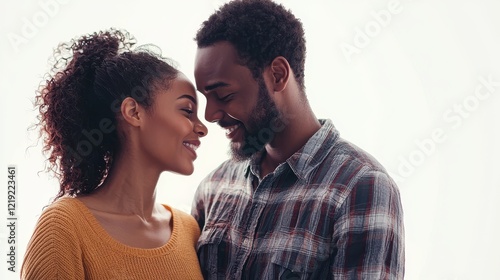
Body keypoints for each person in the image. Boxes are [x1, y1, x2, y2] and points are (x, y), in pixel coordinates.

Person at [191, 0, 405, 279]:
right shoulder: (214, 187)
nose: (210, 115)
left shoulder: (361, 186)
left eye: (224, 95)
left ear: (278, 75)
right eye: (205, 98)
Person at [21, 29, 206, 279]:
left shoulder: (189, 230)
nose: (202, 128)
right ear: (133, 112)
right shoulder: (64, 227)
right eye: (187, 110)